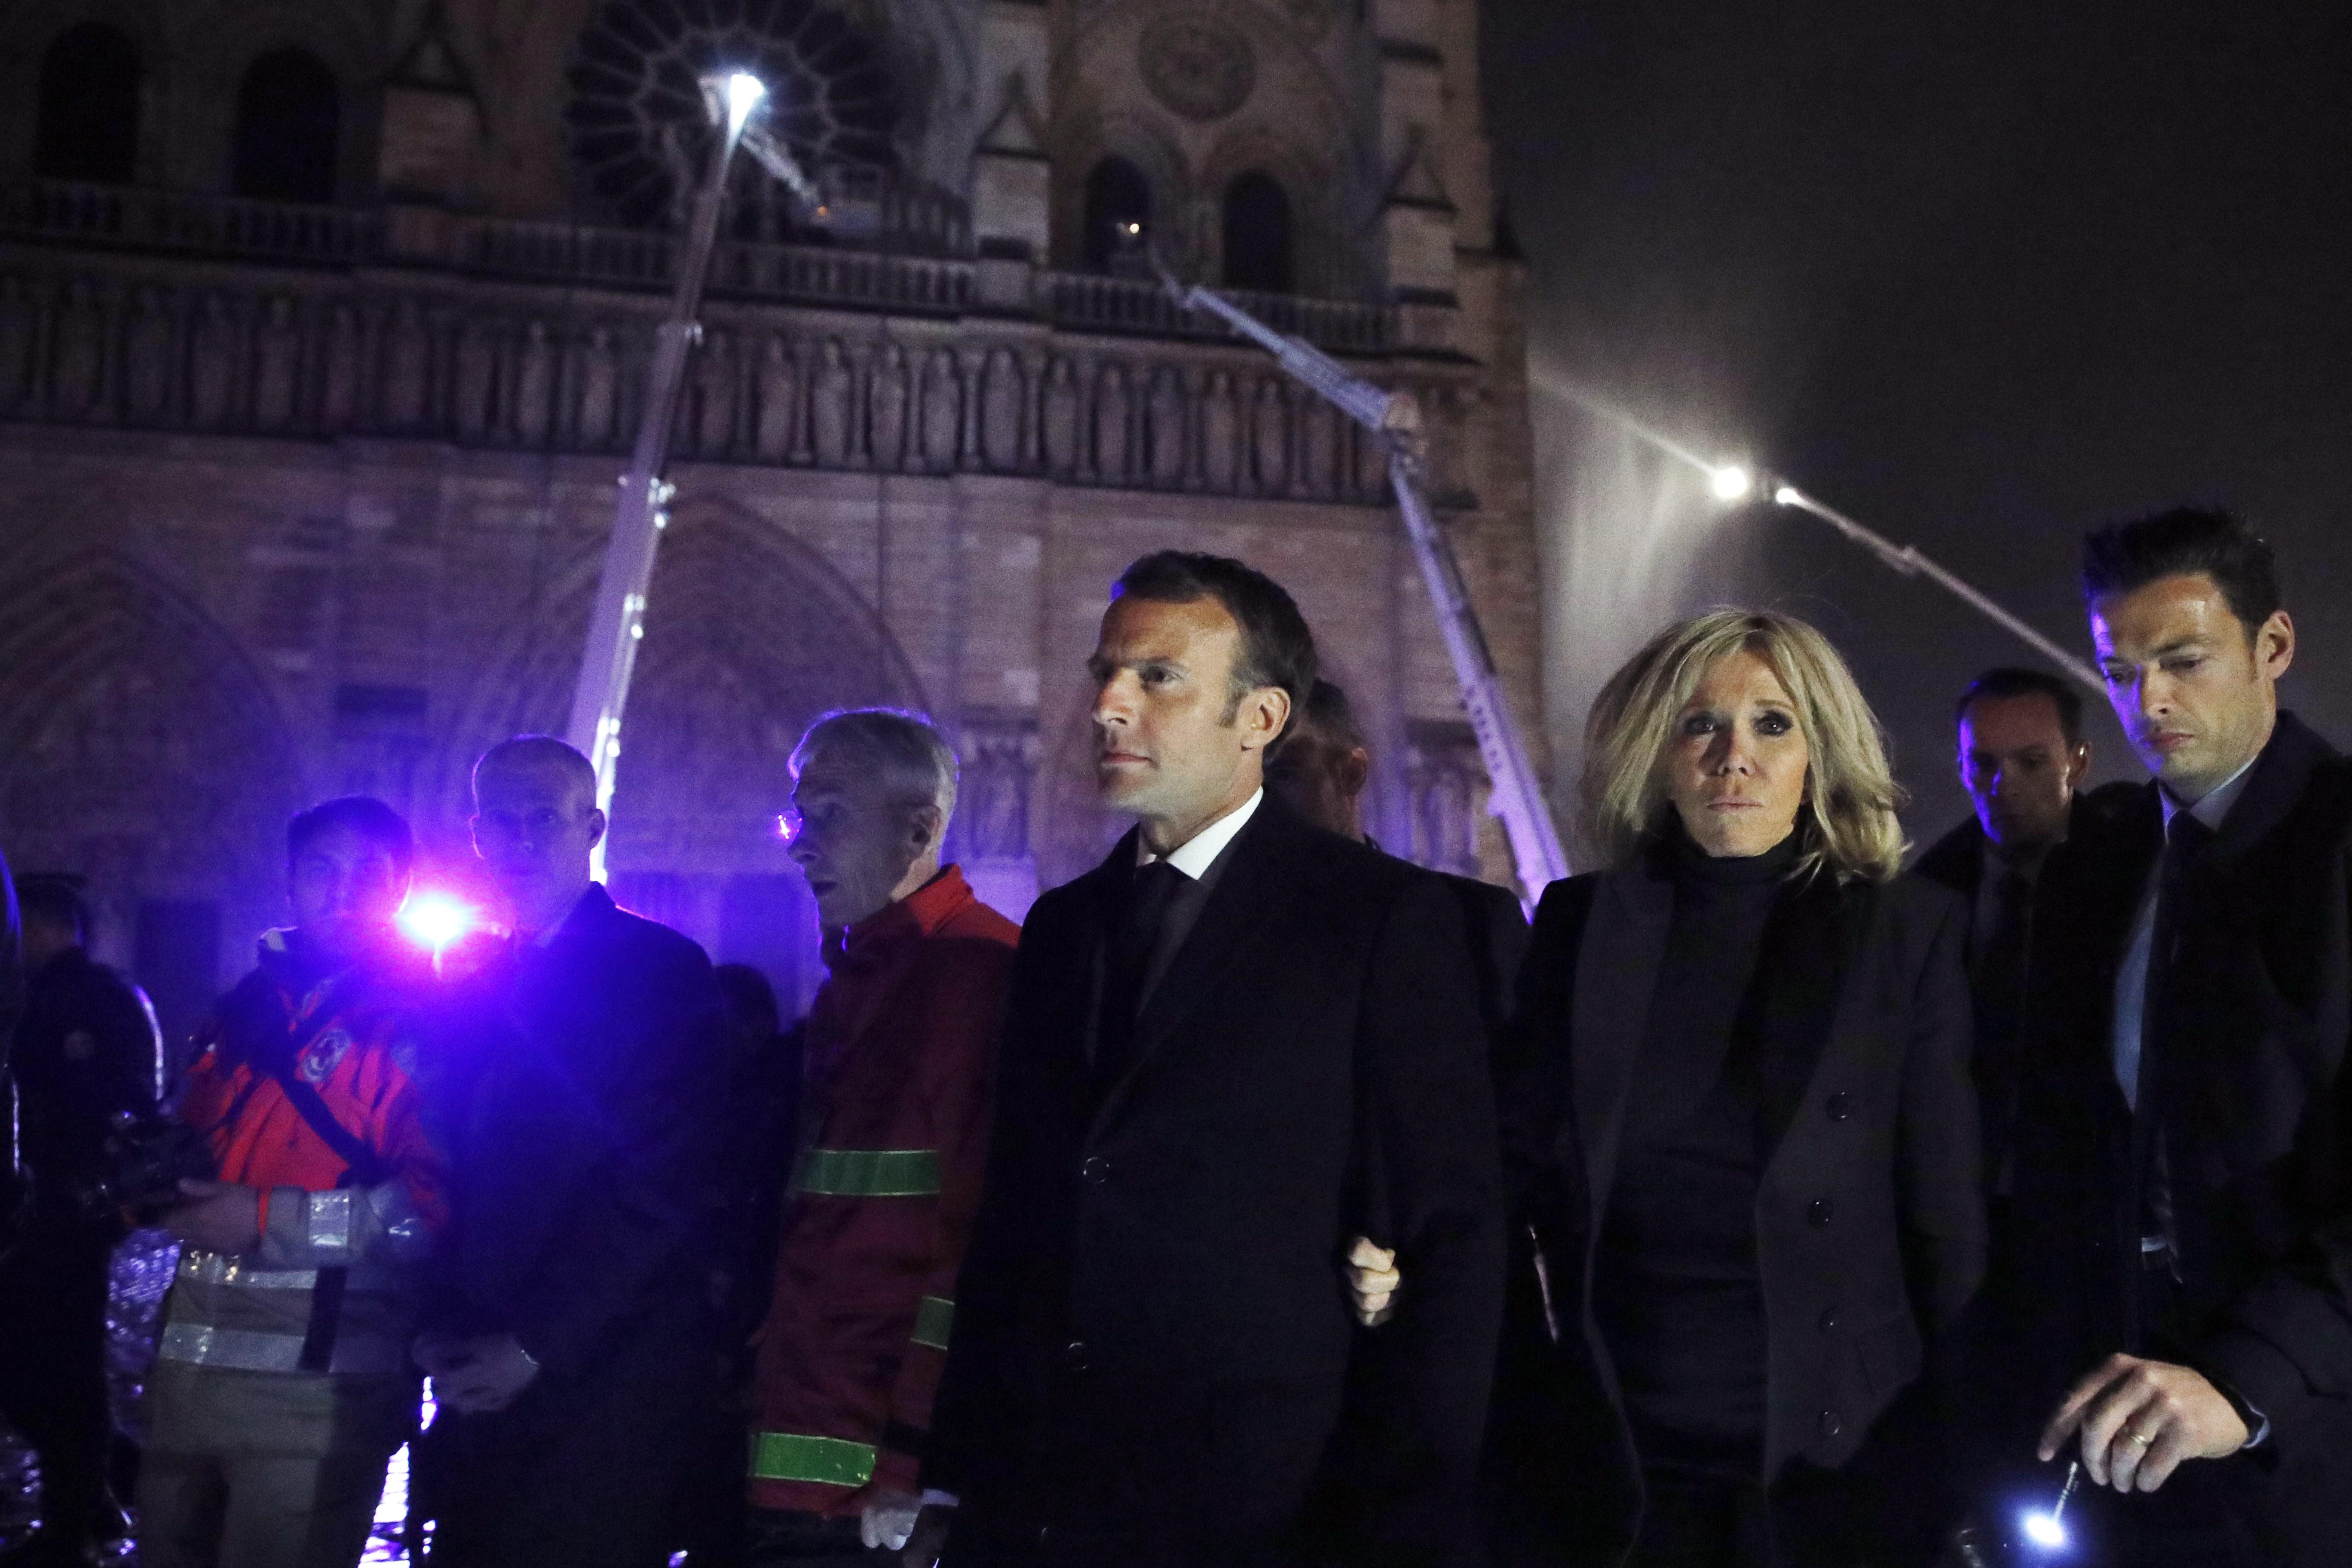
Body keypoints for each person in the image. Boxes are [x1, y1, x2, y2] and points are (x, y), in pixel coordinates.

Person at [925, 551, 1504, 1568]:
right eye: (1105, 670)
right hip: (1044, 1505)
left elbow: (1450, 1238)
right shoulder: (1062, 929)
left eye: (1158, 676)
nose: (1107, 703)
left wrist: (1396, 1521)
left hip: (1264, 1513)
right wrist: (957, 1473)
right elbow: (1016, 1215)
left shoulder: (1375, 922)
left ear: (1262, 719)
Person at [1479, 609, 1983, 1567]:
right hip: (1624, 1464)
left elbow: (1947, 1230)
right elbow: (1513, 1168)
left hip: (1835, 1462)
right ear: (1656, 751)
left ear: (1819, 754)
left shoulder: (1903, 933)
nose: (1732, 758)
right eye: (1699, 724)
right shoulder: (1583, 923)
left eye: (1772, 724)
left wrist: (1966, 1471)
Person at [2000, 509, 2352, 1565]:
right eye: (2116, 669)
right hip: (2115, 1431)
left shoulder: (2336, 848)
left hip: (2306, 1446)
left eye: (2181, 660)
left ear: (2272, 647)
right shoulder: (2100, 862)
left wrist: (2247, 1381)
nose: (2144, 701)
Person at [414, 735, 729, 1568]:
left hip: (601, 1380)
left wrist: (534, 1344)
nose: (520, 842)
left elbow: (665, 1181)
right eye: (501, 823)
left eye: (542, 821)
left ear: (590, 828)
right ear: (476, 834)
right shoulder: (475, 976)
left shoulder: (659, 970)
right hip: (488, 1373)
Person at [135, 798, 444, 1568]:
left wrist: (264, 1219)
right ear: (290, 881)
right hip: (184, 1390)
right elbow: (207, 1143)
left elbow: (428, 1212)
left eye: (370, 874)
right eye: (323, 870)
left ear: (402, 888)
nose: (344, 892)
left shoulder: (430, 1023)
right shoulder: (246, 1003)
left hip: (318, 1401)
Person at [744, 709, 1020, 1566]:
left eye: (828, 815)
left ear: (920, 827)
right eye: (797, 817)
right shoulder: (862, 974)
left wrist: (922, 1461)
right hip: (798, 1455)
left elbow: (978, 1249)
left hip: (873, 1494)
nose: (799, 845)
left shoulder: (979, 977)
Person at [0, 875, 161, 1565]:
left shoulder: (81, 999)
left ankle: (83, 1510)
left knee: (63, 1365)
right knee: (46, 1365)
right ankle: (98, 1486)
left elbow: (119, 1105)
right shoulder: (68, 995)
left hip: (59, 1209)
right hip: (54, 1206)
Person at [1911, 668, 2095, 1197]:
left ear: (2077, 762)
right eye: (1983, 763)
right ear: (1962, 767)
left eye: (2032, 762)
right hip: (1964, 1193)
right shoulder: (1927, 895)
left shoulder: (2130, 867)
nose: (2003, 784)